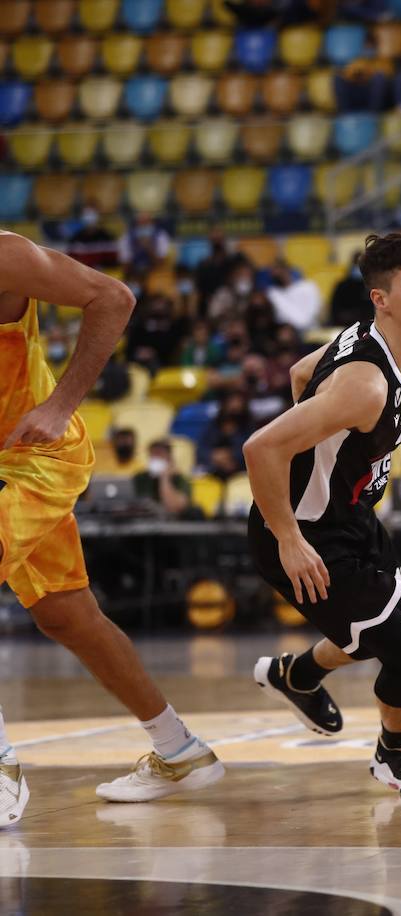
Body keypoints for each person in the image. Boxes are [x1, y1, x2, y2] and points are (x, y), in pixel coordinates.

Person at [0, 231, 224, 829]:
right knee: (66, 615)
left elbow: (114, 298)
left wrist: (60, 406)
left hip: (34, 457)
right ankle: (179, 749)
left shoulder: (5, 256)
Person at [244, 233, 401, 795]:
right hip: (306, 535)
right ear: (381, 299)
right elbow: (261, 448)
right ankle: (397, 751)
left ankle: (298, 676)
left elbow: (298, 374)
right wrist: (288, 536)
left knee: (384, 630)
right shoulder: (365, 384)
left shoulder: (364, 340)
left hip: (349, 516)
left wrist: (318, 458)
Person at [131, 438, 192, 516]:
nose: (156, 457)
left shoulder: (180, 479)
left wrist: (165, 478)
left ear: (169, 458)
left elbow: (175, 507)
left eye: (160, 454)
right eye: (153, 454)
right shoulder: (141, 478)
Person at [333, 33, 392, 112]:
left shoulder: (383, 62)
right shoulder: (357, 60)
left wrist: (367, 75)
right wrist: (357, 76)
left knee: (379, 79)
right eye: (367, 46)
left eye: (371, 47)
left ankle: (374, 113)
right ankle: (345, 112)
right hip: (357, 92)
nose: (369, 49)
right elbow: (347, 75)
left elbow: (387, 78)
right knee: (337, 78)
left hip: (373, 96)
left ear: (376, 47)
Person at [265, 260, 321, 333]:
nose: (275, 272)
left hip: (312, 331)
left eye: (277, 268)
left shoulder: (308, 286)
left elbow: (315, 311)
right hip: (287, 333)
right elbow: (279, 318)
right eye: (272, 270)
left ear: (286, 269)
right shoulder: (272, 294)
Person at [330, 256, 373, 327]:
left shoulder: (370, 287)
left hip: (366, 326)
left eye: (361, 266)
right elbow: (335, 311)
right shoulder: (342, 285)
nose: (358, 269)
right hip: (343, 325)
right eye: (356, 265)